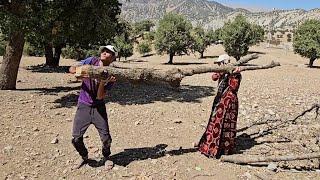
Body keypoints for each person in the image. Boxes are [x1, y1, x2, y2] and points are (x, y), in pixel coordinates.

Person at [69, 45, 117, 169]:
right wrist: (79, 73)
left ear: (113, 58)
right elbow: (72, 69)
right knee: (76, 139)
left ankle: (106, 157)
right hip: (83, 105)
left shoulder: (112, 75)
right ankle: (84, 157)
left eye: (109, 52)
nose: (105, 52)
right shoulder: (91, 61)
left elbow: (100, 96)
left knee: (106, 138)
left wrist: (102, 81)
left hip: (98, 107)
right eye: (104, 50)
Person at [197, 54, 242, 158]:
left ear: (224, 62)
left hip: (229, 102)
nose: (218, 65)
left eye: (219, 63)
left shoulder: (236, 73)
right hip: (219, 100)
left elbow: (234, 87)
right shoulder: (222, 72)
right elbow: (213, 77)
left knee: (225, 124)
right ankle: (210, 146)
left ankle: (222, 150)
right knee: (214, 122)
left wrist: (233, 74)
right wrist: (222, 72)